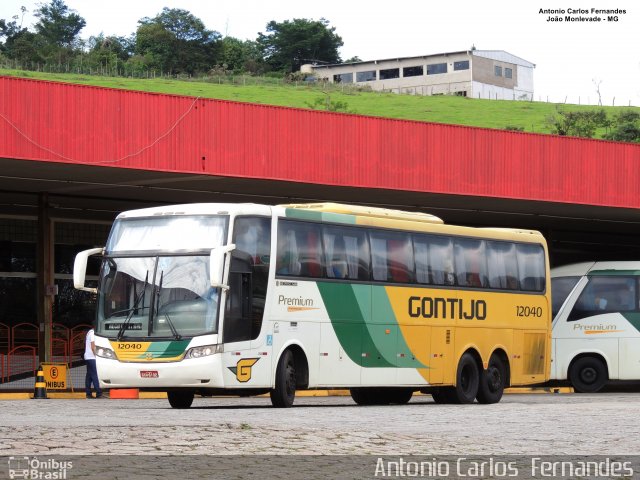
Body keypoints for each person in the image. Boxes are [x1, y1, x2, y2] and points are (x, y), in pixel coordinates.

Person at [84, 328, 103, 399]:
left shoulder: (89, 332)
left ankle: (88, 393)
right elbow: (93, 346)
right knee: (95, 374)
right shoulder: (93, 333)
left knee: (89, 376)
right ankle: (99, 393)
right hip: (92, 357)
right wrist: (97, 356)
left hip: (88, 357)